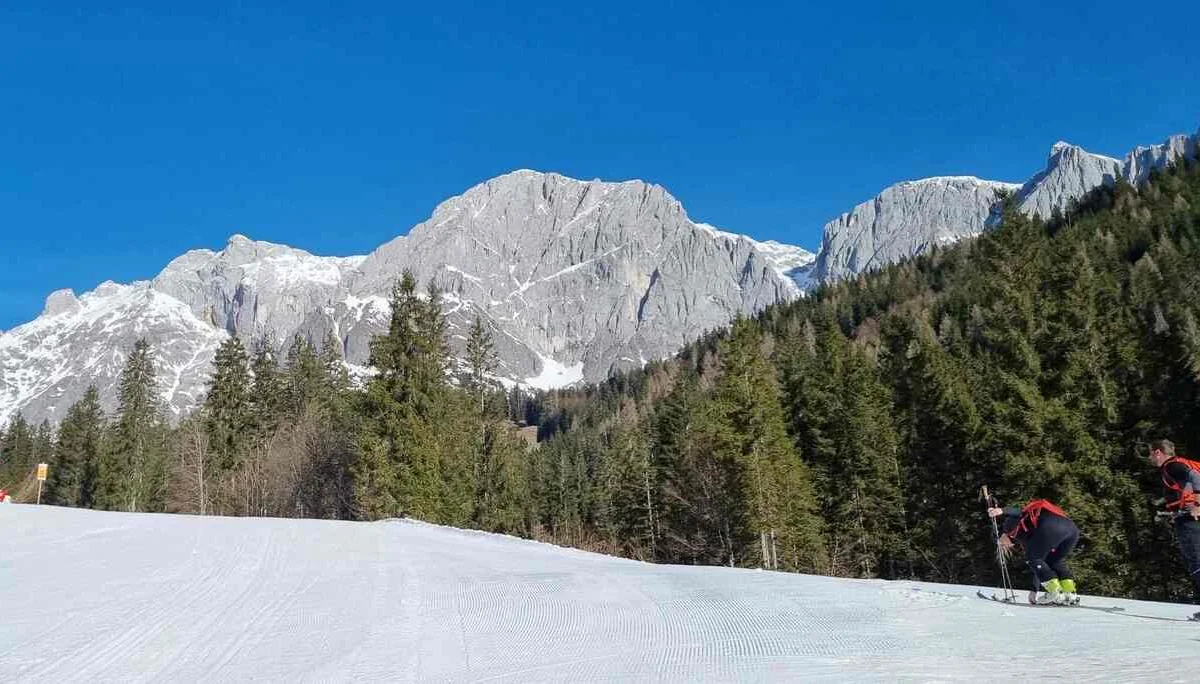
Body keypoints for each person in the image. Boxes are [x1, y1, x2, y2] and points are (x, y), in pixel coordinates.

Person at [988, 499, 1080, 605]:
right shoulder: (1025, 536)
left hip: (1051, 525)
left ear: (1001, 535)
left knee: (1033, 558)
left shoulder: (1008, 527)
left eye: (1000, 543)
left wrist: (1001, 510)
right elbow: (1040, 566)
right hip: (1072, 530)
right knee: (1053, 562)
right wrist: (1034, 590)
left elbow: (1019, 512)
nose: (1003, 545)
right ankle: (1070, 593)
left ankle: (1054, 591)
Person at [1148, 439, 1200, 614]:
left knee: (1196, 560)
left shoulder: (1172, 466)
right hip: (1186, 516)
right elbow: (1185, 489)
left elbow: (1195, 477)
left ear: (1158, 452)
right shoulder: (1176, 465)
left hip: (1190, 519)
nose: (1150, 458)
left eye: (1150, 453)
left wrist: (1198, 505)